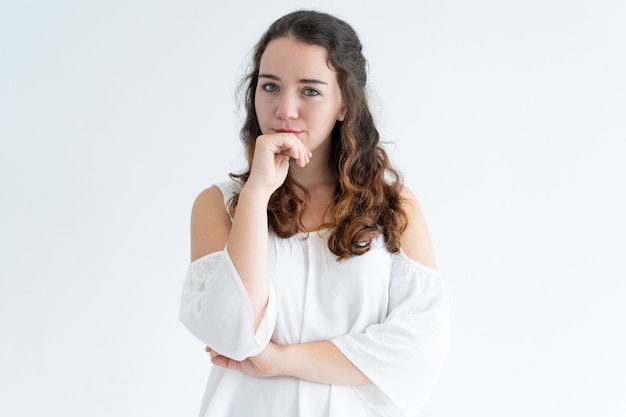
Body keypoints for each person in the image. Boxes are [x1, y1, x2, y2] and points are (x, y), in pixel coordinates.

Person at [179, 10, 449, 417]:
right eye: (270, 86)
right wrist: (256, 194)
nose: (285, 109)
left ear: (344, 104)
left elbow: (417, 350)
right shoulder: (220, 204)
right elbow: (234, 334)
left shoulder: (394, 206)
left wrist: (280, 361)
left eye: (310, 91)